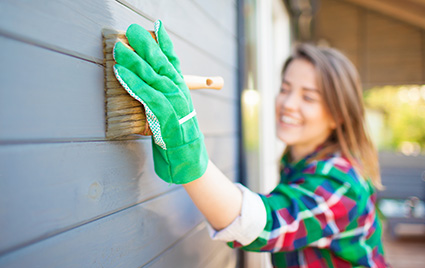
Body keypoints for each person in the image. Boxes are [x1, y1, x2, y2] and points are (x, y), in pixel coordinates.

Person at [113, 20, 388, 267]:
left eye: (309, 97)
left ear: (338, 114)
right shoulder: (297, 161)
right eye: (285, 89)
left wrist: (187, 151)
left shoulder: (342, 181)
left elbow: (263, 226)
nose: (288, 104)